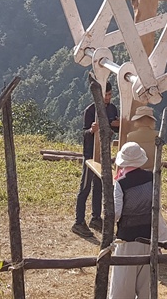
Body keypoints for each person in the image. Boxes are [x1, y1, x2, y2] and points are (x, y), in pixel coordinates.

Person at [109, 141, 167, 299]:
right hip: (149, 240)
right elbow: (157, 210)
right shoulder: (152, 178)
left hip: (127, 242)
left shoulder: (121, 183)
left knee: (122, 289)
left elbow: (115, 213)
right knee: (146, 290)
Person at [73, 77, 119, 238]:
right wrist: (92, 131)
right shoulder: (90, 110)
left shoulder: (112, 108)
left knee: (99, 187)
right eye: (105, 95)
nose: (108, 98)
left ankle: (95, 218)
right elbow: (84, 134)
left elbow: (115, 127)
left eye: (110, 94)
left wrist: (117, 125)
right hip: (90, 154)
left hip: (104, 154)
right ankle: (78, 222)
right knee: (85, 188)